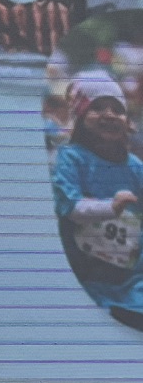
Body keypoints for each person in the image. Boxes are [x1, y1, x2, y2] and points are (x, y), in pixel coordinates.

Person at [52, 69, 143, 330]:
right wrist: (110, 208)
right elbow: (69, 206)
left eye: (117, 109)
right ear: (80, 117)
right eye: (98, 108)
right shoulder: (70, 158)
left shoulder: (136, 168)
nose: (109, 114)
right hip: (83, 275)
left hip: (130, 279)